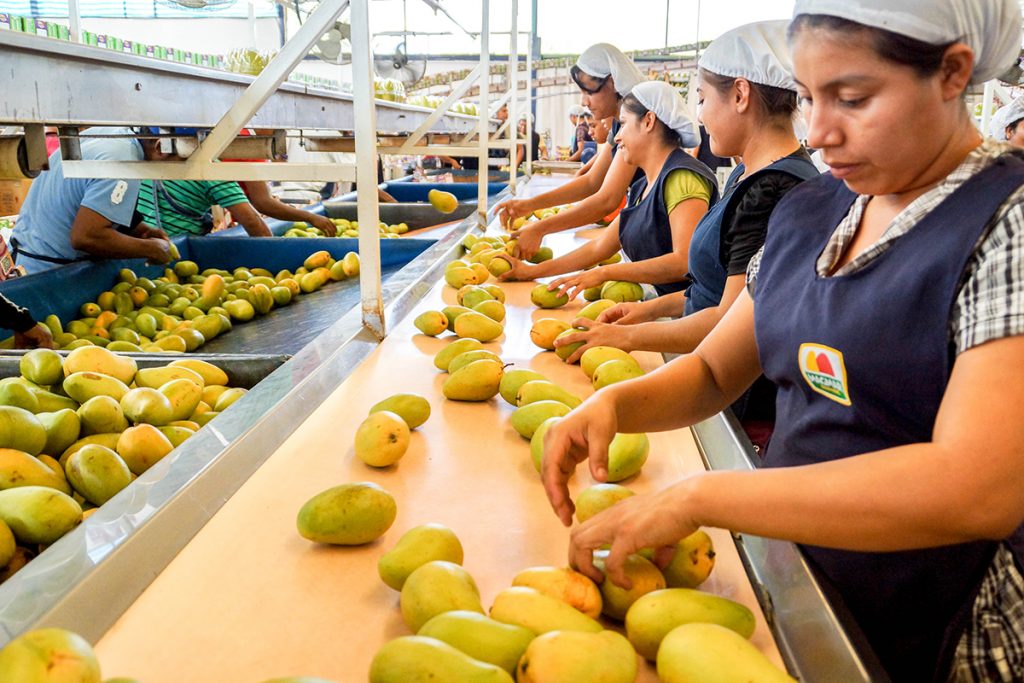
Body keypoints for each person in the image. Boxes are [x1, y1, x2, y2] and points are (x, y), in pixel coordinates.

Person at [540, 2, 1024, 681]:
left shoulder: (1007, 223)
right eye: (806, 98)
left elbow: (976, 487)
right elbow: (714, 370)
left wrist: (702, 496)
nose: (819, 132)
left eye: (852, 98)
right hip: (798, 581)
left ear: (951, 73)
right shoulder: (810, 213)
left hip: (936, 623)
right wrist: (617, 405)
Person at [556, 22, 819, 372]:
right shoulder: (747, 174)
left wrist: (625, 337)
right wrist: (646, 311)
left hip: (731, 389)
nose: (700, 115)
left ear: (741, 95)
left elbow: (728, 321)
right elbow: (712, 291)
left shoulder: (772, 190)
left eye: (702, 98)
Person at [496, 81, 716, 299]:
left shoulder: (682, 178)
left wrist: (604, 272)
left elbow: (683, 260)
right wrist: (530, 271)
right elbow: (599, 248)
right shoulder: (642, 187)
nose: (617, 136)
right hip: (657, 308)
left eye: (624, 124)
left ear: (648, 121)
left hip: (687, 318)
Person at [495, 43, 646, 259]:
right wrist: (528, 205)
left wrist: (541, 228)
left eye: (588, 91)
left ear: (612, 82)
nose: (584, 102)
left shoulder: (636, 123)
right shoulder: (618, 124)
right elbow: (593, 181)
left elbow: (607, 199)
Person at [11, 127, 174, 274]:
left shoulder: (113, 136)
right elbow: (86, 237)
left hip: (27, 255)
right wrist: (151, 249)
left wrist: (140, 230)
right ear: (160, 147)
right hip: (47, 274)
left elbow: (88, 199)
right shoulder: (123, 162)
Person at [135, 179, 271, 237]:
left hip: (142, 248)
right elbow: (252, 221)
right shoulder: (210, 170)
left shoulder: (138, 160)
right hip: (180, 253)